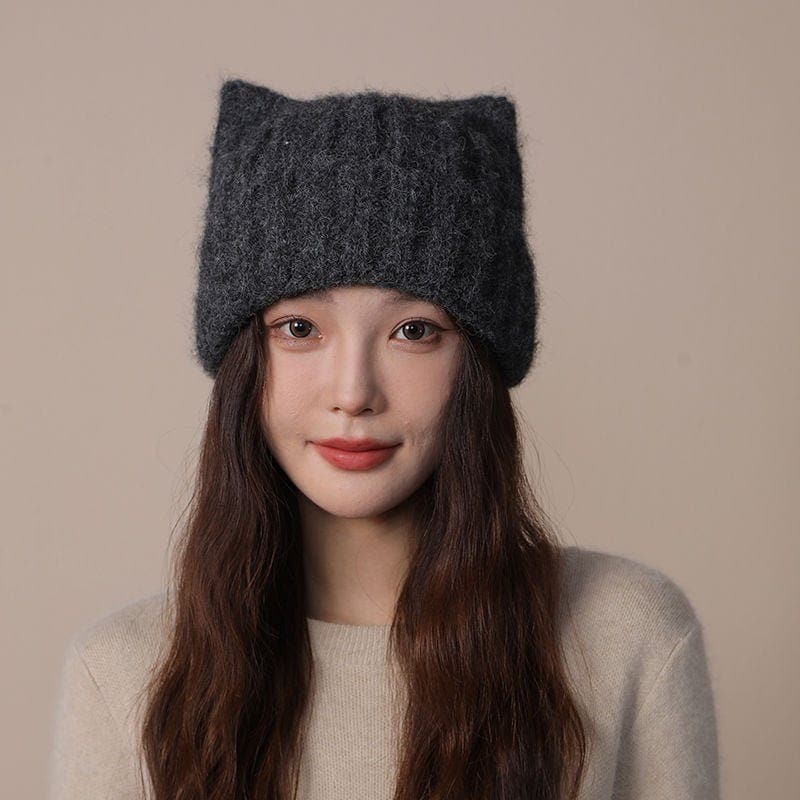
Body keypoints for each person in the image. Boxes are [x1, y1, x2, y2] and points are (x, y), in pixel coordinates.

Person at [47, 78, 720, 800]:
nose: (354, 393)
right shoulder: (124, 675)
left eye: (414, 331)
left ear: (478, 362)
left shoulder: (626, 636)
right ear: (244, 360)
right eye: (299, 328)